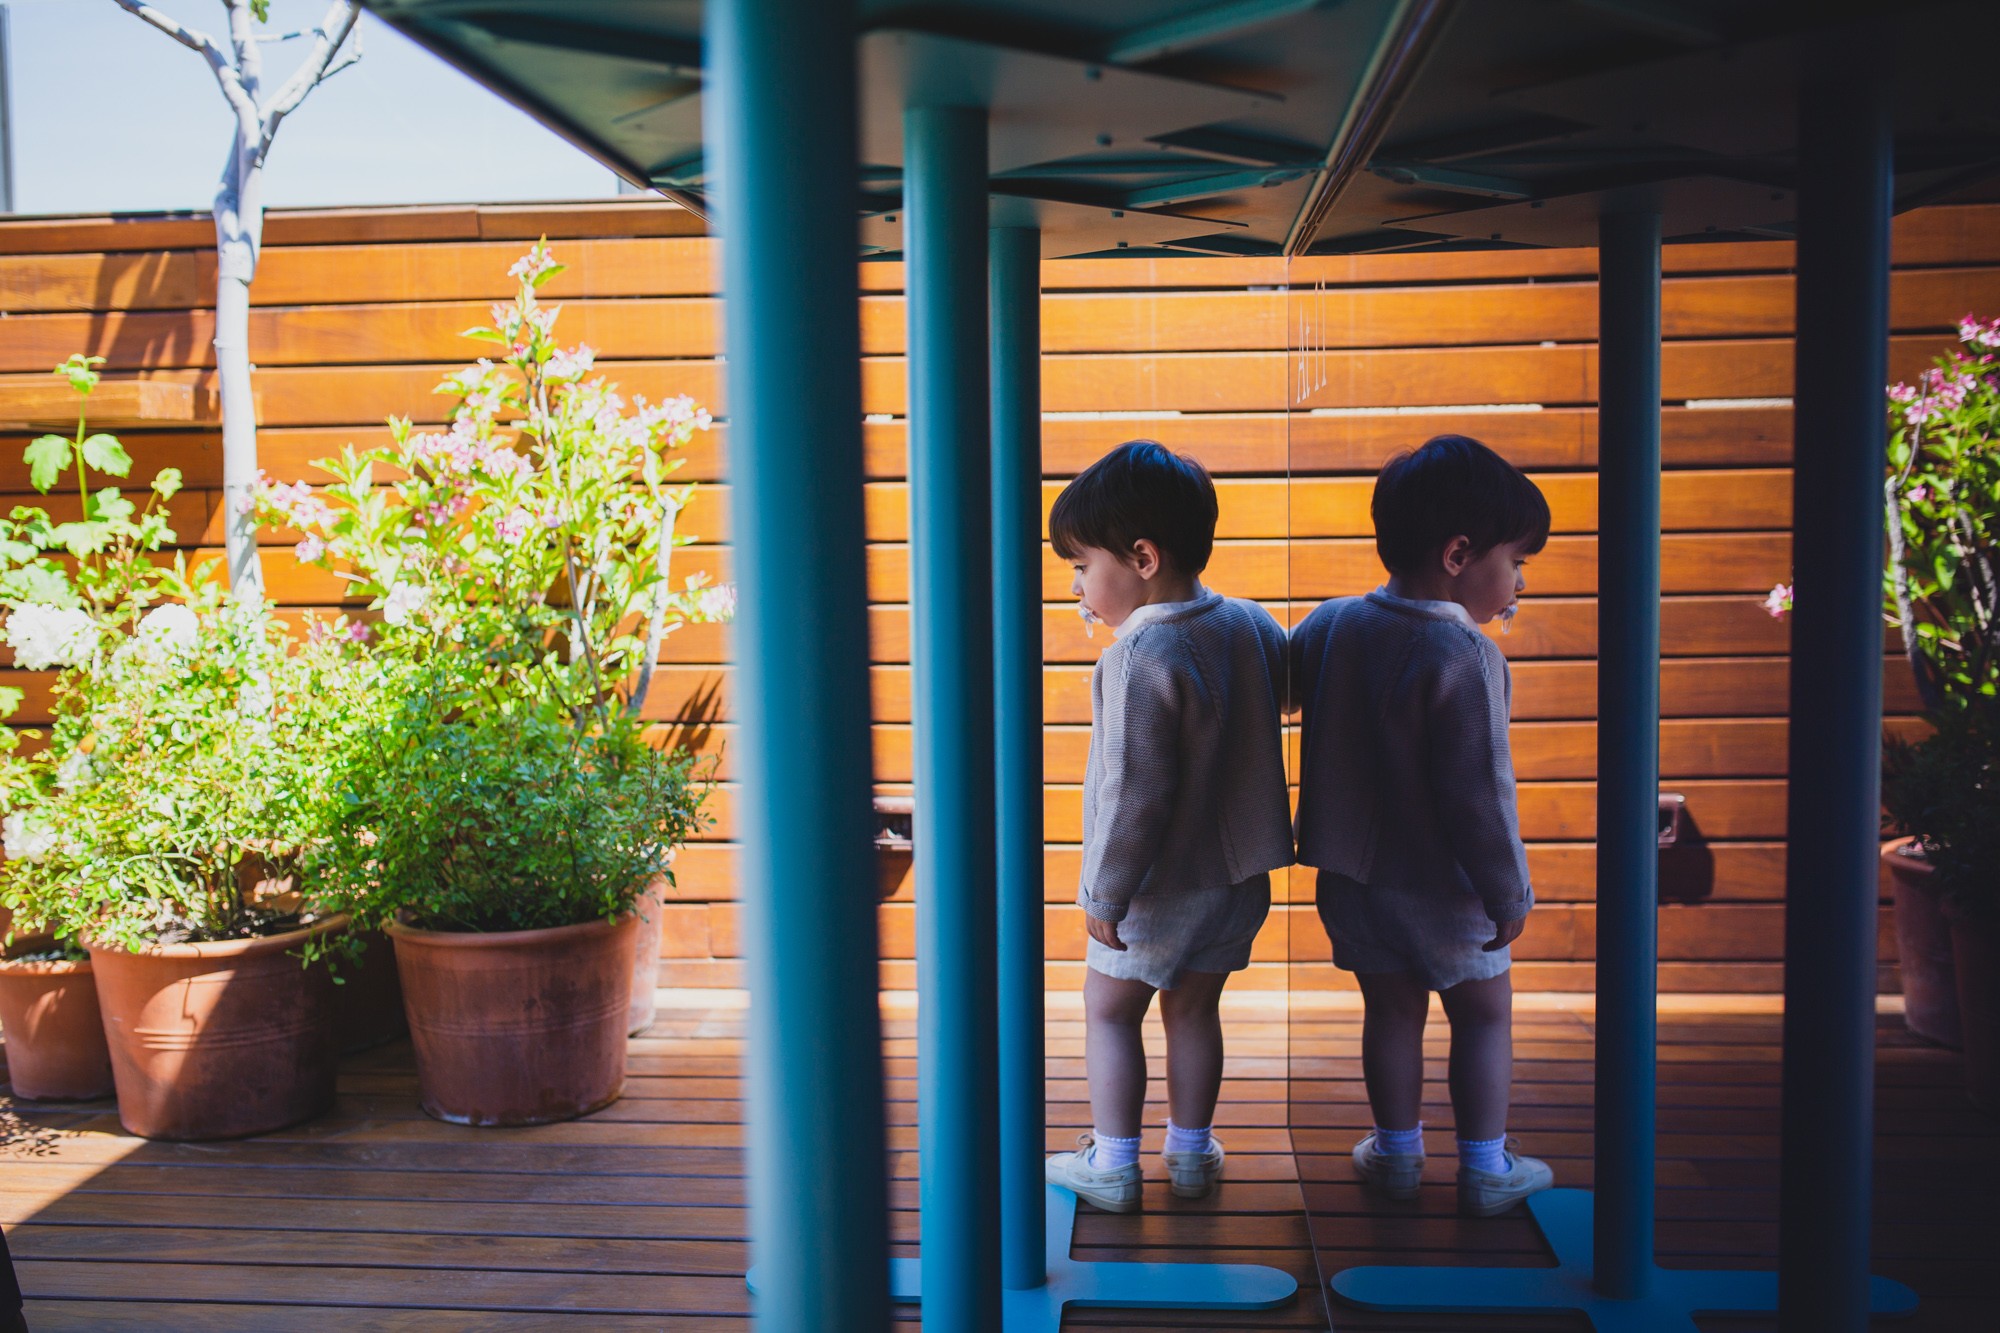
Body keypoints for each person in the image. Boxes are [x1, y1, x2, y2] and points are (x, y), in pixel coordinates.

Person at [1290, 434, 1555, 1218]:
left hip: (1354, 881)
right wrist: (1509, 891)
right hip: (1448, 889)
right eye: (1515, 561)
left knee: (1391, 1011)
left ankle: (1398, 1153)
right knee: (1483, 1014)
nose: (1518, 582)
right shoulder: (1465, 652)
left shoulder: (1334, 623)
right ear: (1459, 553)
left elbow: (1283, 688)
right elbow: (1479, 795)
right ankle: (1486, 1165)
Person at [1040, 440, 1295, 1214]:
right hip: (1235, 882)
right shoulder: (1248, 623)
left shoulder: (1139, 655)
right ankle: (1189, 1153)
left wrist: (1104, 891)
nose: (1077, 587)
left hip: (1153, 891)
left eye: (1082, 566)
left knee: (1110, 1009)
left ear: (1142, 558)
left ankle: (1114, 1162)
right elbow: (1285, 692)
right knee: (1194, 1009)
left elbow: (1134, 790)